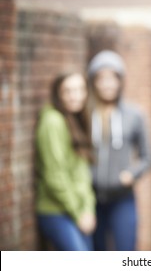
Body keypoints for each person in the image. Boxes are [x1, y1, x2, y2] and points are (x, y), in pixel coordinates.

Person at [87, 50, 151, 251]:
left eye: (112, 78)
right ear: (94, 82)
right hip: (90, 199)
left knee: (126, 251)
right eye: (101, 78)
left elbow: (148, 157)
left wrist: (131, 174)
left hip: (122, 198)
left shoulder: (134, 115)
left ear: (120, 81)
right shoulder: (86, 114)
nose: (107, 84)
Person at [35, 72, 96, 251]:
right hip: (56, 211)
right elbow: (55, 176)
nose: (74, 96)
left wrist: (89, 210)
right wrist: (79, 213)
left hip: (79, 211)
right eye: (68, 91)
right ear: (58, 94)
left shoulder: (75, 119)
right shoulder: (52, 121)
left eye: (79, 90)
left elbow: (83, 174)